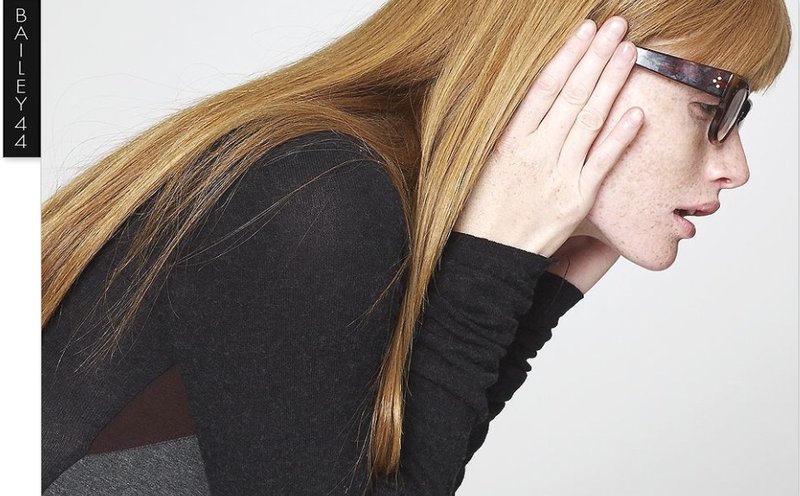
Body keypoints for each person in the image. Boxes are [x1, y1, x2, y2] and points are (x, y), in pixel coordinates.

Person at [41, 0, 792, 494]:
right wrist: (492, 274)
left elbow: (394, 476)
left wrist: (528, 293)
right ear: (563, 59)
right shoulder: (316, 194)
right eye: (713, 106)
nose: (736, 167)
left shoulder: (357, 197)